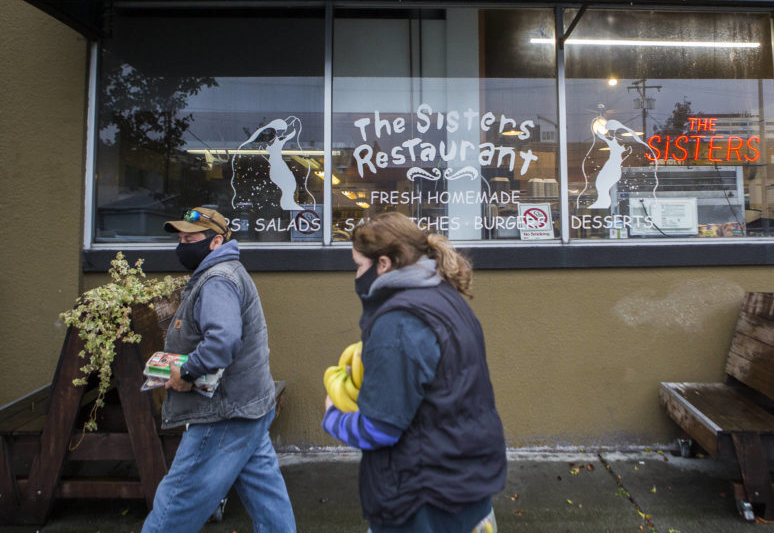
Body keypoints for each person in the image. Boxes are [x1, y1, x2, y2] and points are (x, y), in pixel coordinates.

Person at [322, 212, 507, 532]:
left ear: (383, 264)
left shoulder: (398, 324)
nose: (355, 274)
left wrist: (332, 416)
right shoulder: (445, 297)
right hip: (465, 486)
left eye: (358, 265)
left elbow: (380, 428)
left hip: (423, 500)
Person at [142, 206, 296, 533]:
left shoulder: (218, 279)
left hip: (224, 412)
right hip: (248, 403)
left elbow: (223, 341)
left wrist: (186, 373)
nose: (183, 244)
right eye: (181, 237)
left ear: (215, 242)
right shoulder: (223, 272)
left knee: (180, 497)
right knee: (266, 494)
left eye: (191, 237)